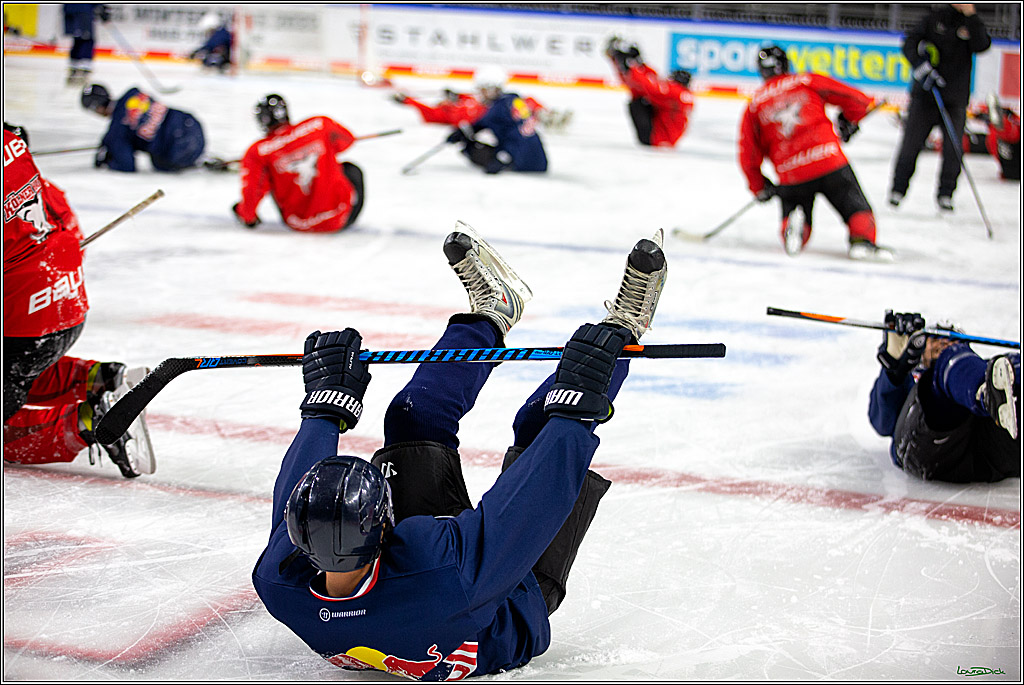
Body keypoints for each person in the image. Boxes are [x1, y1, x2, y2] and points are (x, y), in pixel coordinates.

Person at [252, 224, 669, 679]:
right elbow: (530, 508)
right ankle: (624, 327)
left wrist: (324, 411)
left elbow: (300, 492)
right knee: (542, 425)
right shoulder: (435, 565)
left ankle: (492, 313)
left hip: (435, 593)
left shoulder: (280, 577)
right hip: (510, 592)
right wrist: (578, 409)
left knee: (414, 419)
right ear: (387, 527)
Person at [3, 122, 154, 479]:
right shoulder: (11, 141)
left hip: (26, 318)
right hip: (63, 299)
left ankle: (93, 421)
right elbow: (62, 216)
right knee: (17, 369)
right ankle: (99, 378)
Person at [738, 45, 891, 261]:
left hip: (790, 173)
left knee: (795, 202)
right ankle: (861, 241)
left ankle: (794, 225)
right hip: (827, 159)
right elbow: (857, 100)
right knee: (854, 207)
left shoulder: (754, 105)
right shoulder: (805, 81)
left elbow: (748, 155)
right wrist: (849, 120)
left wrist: (759, 186)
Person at [868, 311, 1020, 483]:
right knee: (947, 373)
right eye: (935, 339)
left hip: (987, 449)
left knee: (1011, 366)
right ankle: (984, 395)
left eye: (954, 340)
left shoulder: (982, 373)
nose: (944, 344)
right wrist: (894, 372)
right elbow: (881, 423)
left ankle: (993, 397)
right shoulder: (911, 382)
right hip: (928, 448)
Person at [888, 3, 991, 212]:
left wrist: (971, 16)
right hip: (926, 96)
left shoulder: (970, 23)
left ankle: (946, 193)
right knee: (910, 145)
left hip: (954, 99)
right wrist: (921, 66)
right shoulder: (933, 18)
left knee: (954, 149)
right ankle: (898, 189)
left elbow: (982, 45)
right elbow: (909, 44)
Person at [232, 94, 364, 233]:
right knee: (350, 169)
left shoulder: (258, 151)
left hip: (298, 223)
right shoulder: (320, 124)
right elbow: (347, 141)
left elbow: (253, 192)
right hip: (338, 218)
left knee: (272, 177)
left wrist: (244, 214)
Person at [80, 83, 206, 173]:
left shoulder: (116, 133)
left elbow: (127, 166)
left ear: (96, 108)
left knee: (159, 163)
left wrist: (112, 157)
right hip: (192, 125)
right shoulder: (133, 93)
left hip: (178, 150)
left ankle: (189, 160)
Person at [445, 66, 548, 174]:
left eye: (483, 90)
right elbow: (481, 124)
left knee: (472, 149)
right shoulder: (513, 101)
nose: (480, 94)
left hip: (524, 162)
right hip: (538, 160)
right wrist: (462, 132)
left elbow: (518, 136)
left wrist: (504, 158)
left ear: (492, 89)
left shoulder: (498, 108)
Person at [605, 36, 694, 147]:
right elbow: (653, 81)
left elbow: (648, 86)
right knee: (641, 95)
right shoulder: (683, 94)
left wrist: (631, 67)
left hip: (657, 138)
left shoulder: (675, 91)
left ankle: (620, 61)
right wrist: (639, 64)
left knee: (638, 101)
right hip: (667, 138)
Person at [62, 4, 109, 85]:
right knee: (86, 39)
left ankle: (75, 67)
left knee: (78, 39)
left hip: (71, 9)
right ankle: (83, 67)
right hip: (82, 10)